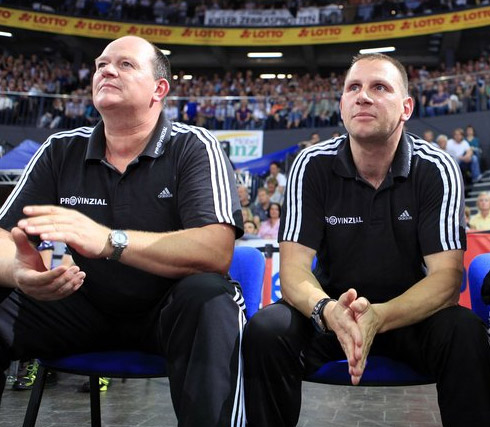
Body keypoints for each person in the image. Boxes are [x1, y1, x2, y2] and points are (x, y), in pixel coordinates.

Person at [0, 36, 246, 426]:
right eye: (101, 65)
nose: (107, 71)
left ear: (159, 89)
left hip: (168, 314)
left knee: (210, 296)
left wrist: (109, 240)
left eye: (125, 64)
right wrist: (19, 272)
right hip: (80, 306)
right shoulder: (59, 149)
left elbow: (215, 250)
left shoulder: (194, 146)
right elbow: (3, 237)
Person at [243, 53, 490, 427]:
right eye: (353, 88)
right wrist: (328, 311)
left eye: (380, 87)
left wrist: (381, 315)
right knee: (266, 330)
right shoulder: (310, 165)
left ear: (406, 108)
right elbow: (293, 271)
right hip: (331, 315)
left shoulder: (436, 168)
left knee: (466, 333)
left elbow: (446, 279)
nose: (363, 96)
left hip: (410, 317)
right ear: (342, 105)